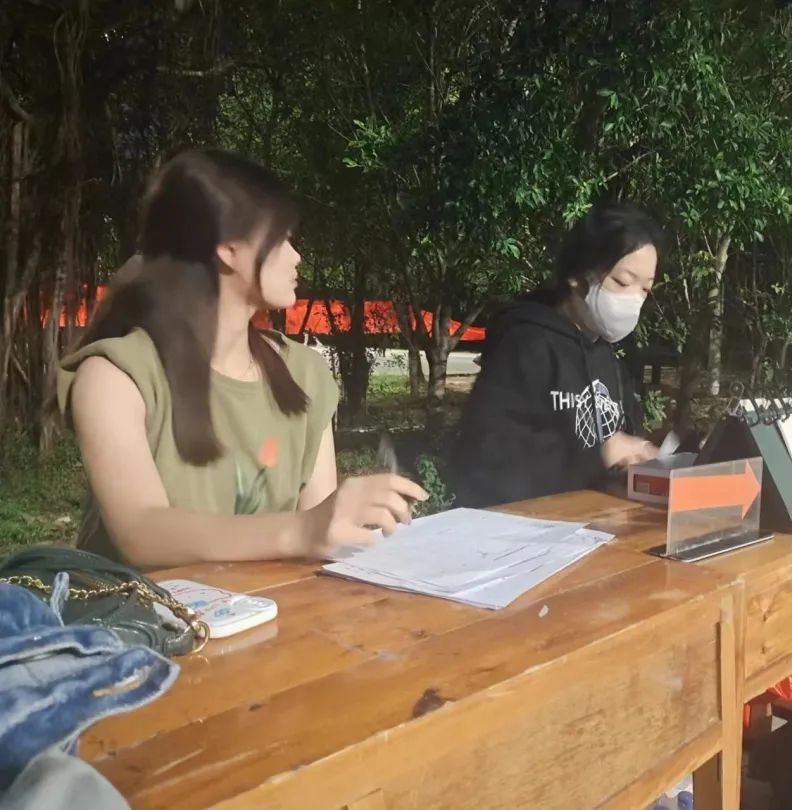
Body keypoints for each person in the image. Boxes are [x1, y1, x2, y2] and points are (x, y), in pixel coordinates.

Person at [57, 149, 426, 570]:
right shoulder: (115, 378)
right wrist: (303, 530)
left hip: (276, 609)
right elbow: (140, 533)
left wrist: (332, 528)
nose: (296, 256)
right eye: (282, 238)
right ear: (228, 247)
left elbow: (319, 544)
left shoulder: (304, 374)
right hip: (141, 611)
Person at [452, 202, 661, 508]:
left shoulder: (608, 359)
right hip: (524, 526)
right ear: (578, 275)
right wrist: (598, 455)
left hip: (597, 524)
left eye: (645, 290)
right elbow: (490, 455)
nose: (634, 300)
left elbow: (625, 444)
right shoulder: (525, 343)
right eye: (623, 282)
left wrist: (640, 456)